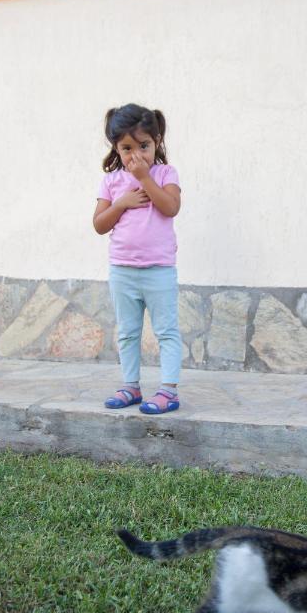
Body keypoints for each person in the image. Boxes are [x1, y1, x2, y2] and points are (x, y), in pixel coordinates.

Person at [93, 103, 182, 414]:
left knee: (166, 331)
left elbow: (170, 207)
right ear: (117, 149)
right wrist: (121, 203)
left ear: (156, 141)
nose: (136, 155)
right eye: (127, 148)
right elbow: (99, 225)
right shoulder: (112, 181)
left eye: (143, 145)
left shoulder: (164, 173)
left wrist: (145, 179)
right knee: (128, 331)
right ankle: (131, 386)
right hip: (123, 270)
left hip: (158, 269)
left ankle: (168, 390)